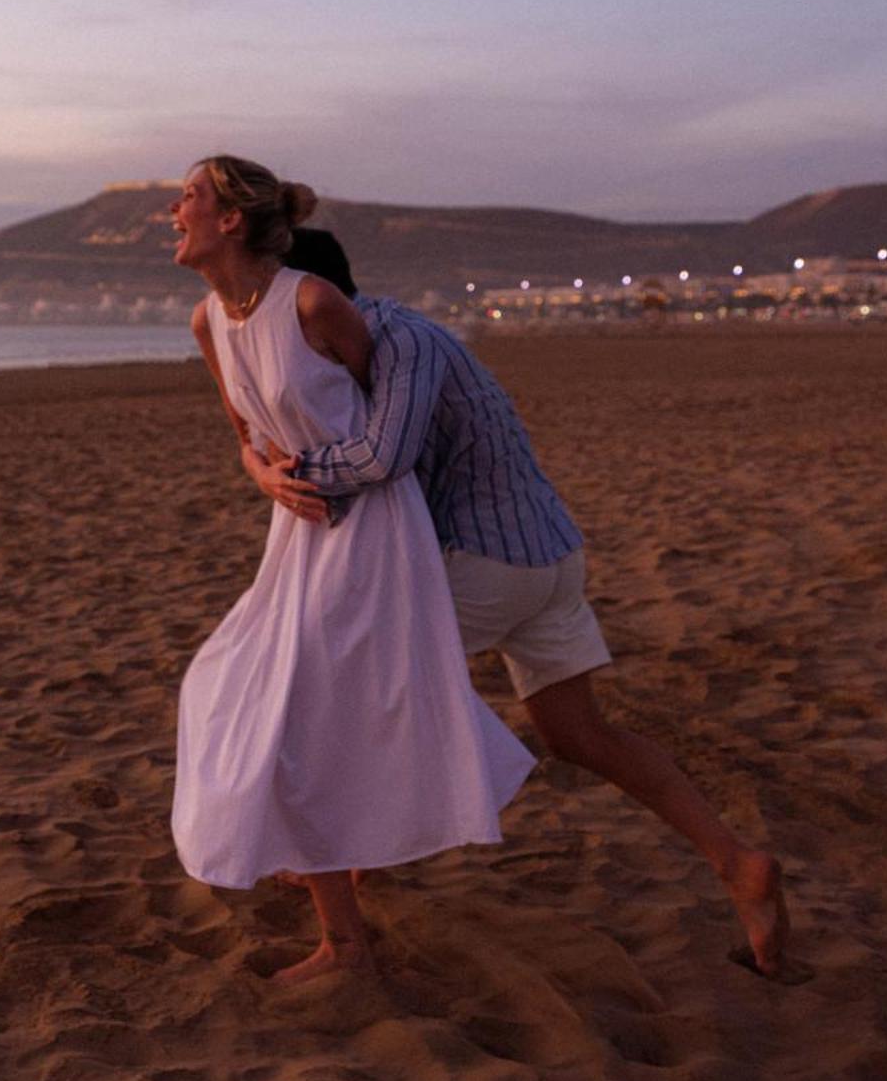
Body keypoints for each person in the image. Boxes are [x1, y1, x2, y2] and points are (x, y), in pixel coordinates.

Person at [246, 226, 790, 979]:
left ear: (311, 296)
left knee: (323, 698)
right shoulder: (384, 340)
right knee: (582, 737)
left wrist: (286, 471)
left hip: (490, 558)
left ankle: (343, 929)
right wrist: (257, 459)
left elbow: (382, 458)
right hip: (548, 555)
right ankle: (738, 863)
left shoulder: (395, 340)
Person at [168, 159, 535, 985]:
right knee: (230, 688)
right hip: (293, 532)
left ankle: (345, 943)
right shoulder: (205, 322)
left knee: (302, 716)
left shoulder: (312, 302)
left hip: (371, 531)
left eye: (187, 195)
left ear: (230, 220)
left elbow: (386, 429)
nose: (172, 208)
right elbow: (247, 437)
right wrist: (261, 476)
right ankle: (344, 892)